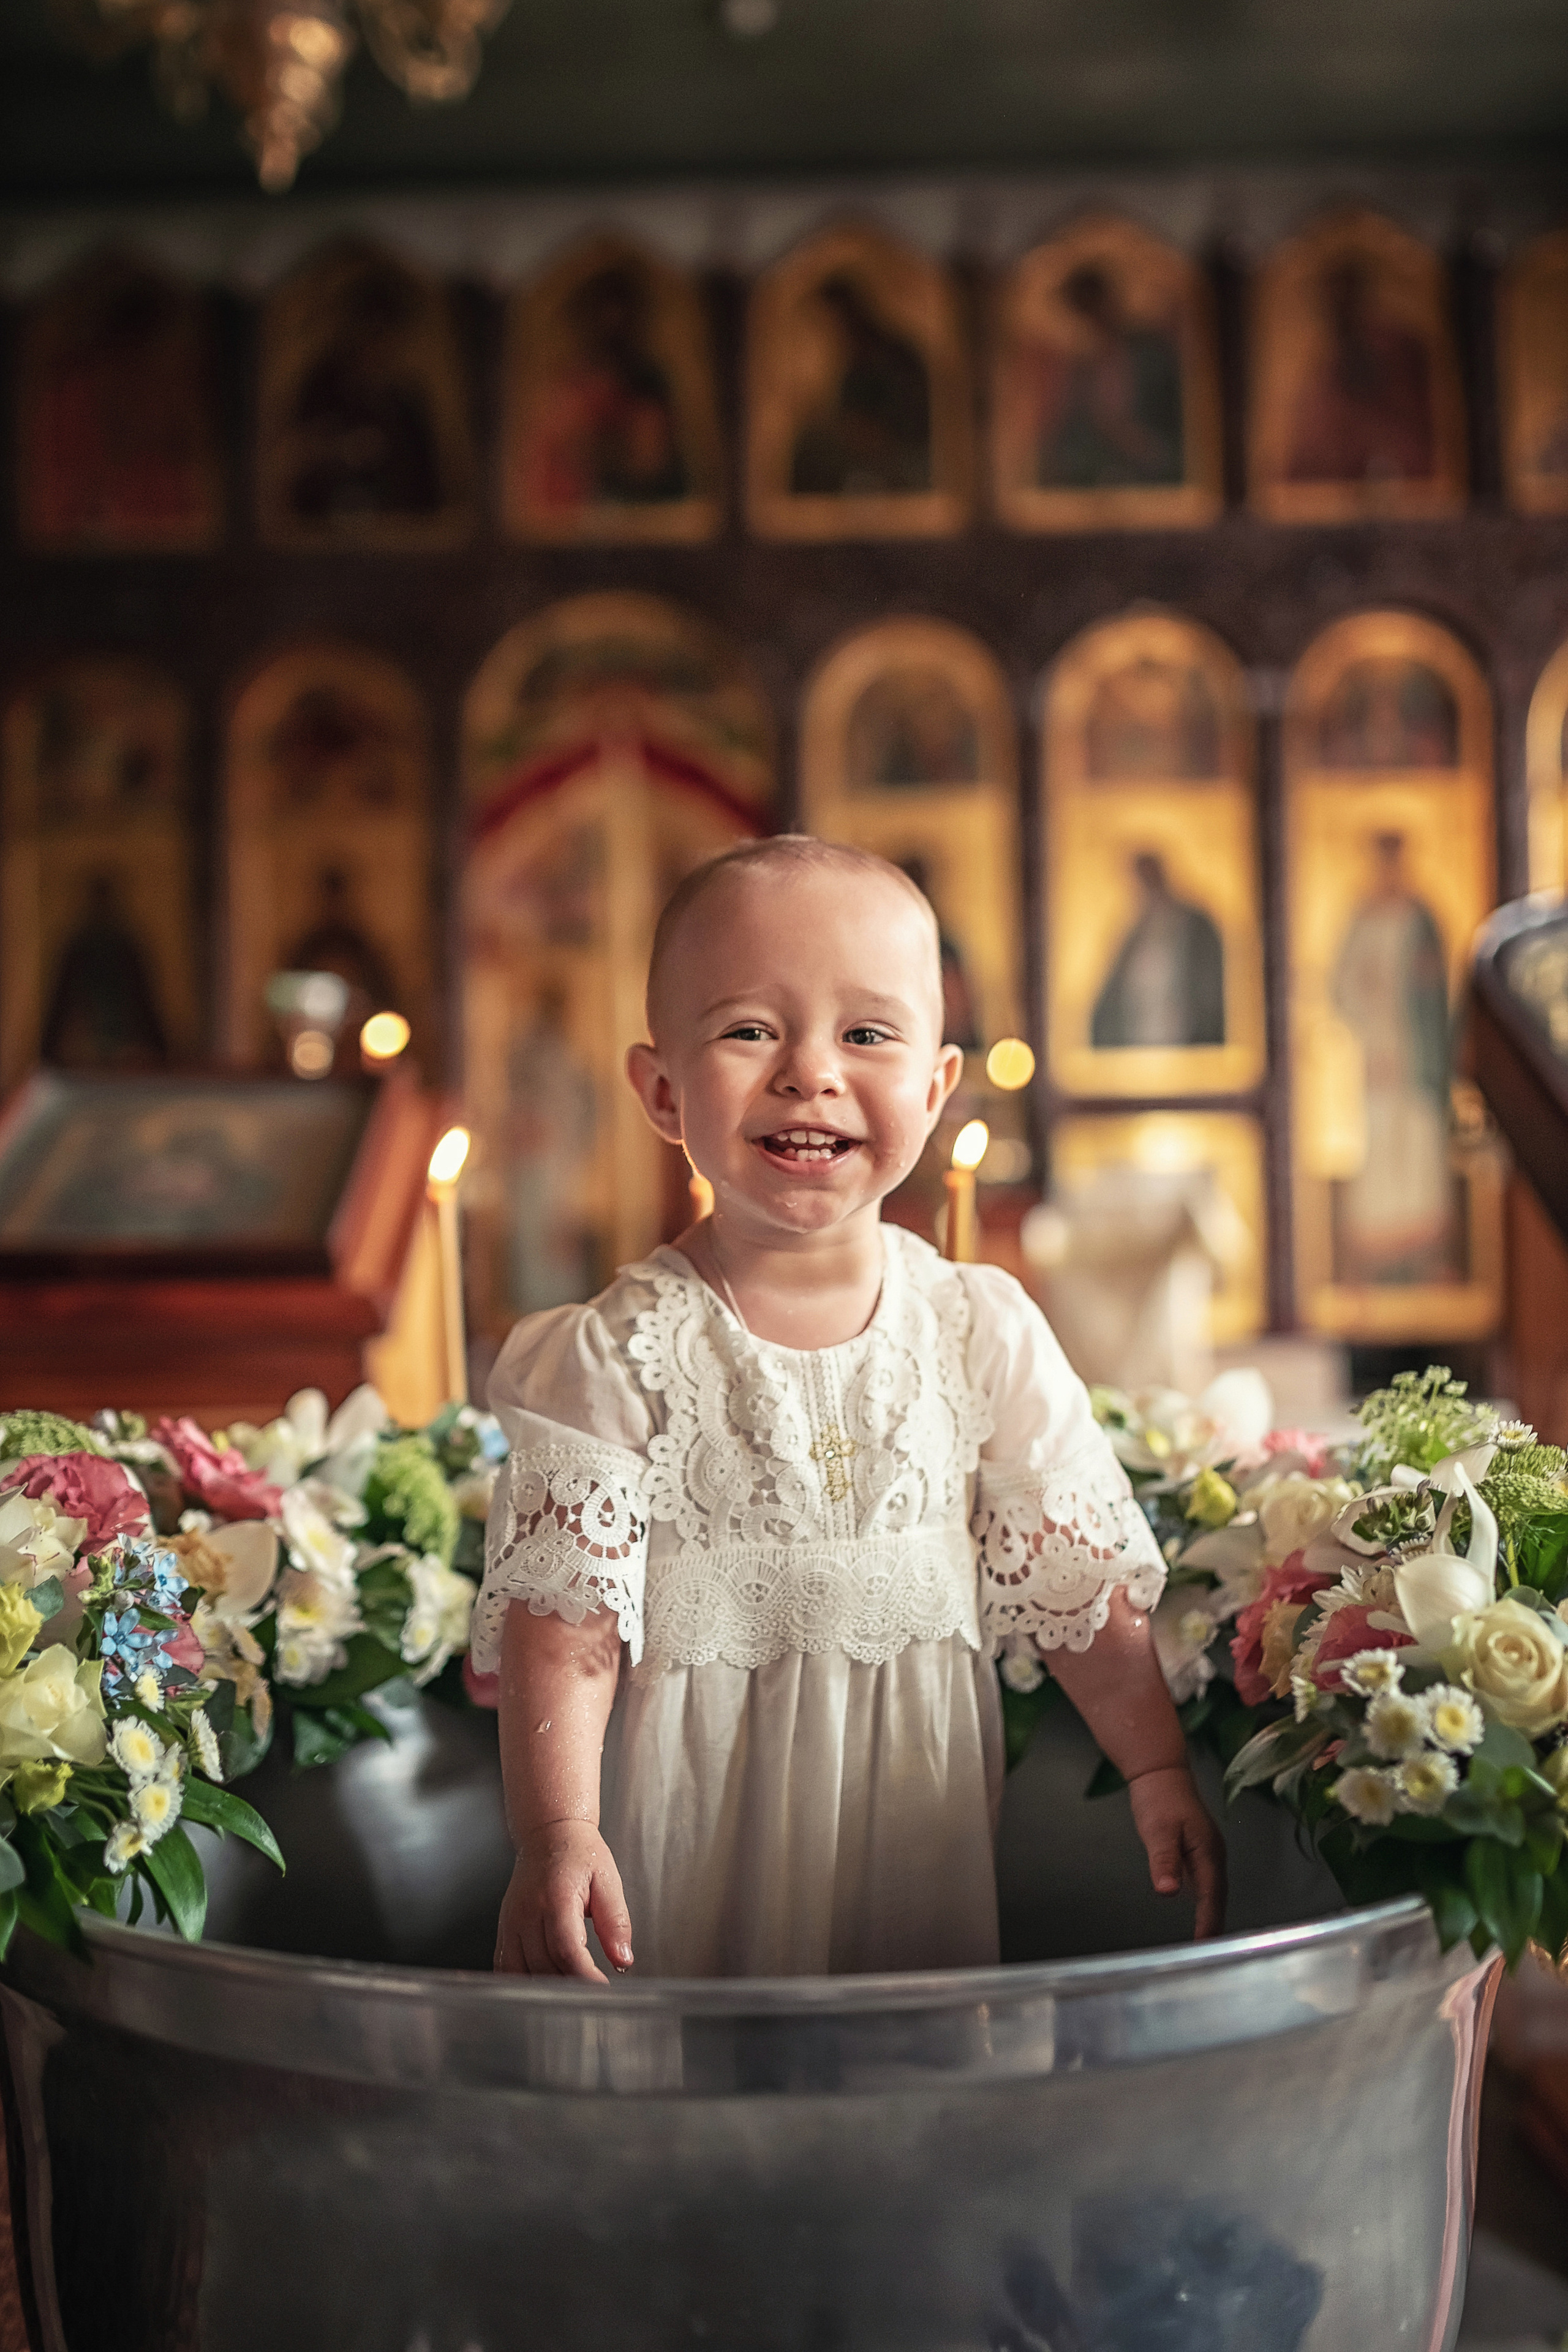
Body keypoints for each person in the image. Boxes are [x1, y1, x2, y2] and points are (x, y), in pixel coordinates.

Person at [474, 836, 1223, 1980]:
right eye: (749, 1031)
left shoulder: (979, 1328)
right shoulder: (615, 1354)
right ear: (663, 1091)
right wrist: (558, 1833)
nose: (810, 1073)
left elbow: (1079, 1589)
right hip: (692, 1845)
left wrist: (1158, 1769)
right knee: (700, 2071)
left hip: (915, 1835)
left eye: (867, 1034)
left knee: (903, 2065)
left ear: (935, 1086)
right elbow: (565, 1632)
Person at [1091, 852, 1226, 1050]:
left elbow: (1208, 987)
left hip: (1184, 1032)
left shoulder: (1195, 924)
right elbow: (1113, 994)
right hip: (1139, 1031)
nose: (1146, 887)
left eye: (1150, 878)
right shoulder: (1135, 930)